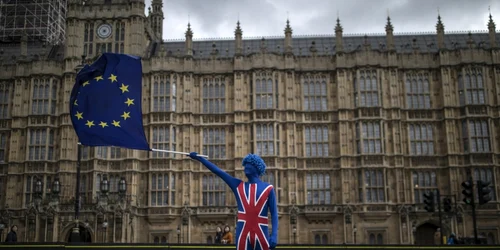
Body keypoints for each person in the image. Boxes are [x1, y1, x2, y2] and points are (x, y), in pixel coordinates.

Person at [190, 152, 278, 250]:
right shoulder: (238, 185)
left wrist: (274, 234)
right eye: (245, 164)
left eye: (249, 164)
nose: (245, 167)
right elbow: (218, 172)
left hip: (262, 232)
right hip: (243, 233)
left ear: (257, 167)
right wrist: (200, 159)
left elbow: (274, 213)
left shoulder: (268, 188)